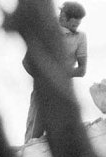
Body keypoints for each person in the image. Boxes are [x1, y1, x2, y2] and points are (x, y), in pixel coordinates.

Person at [23, 1, 87, 143]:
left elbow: (82, 70)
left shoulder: (80, 38)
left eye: (77, 25)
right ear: (63, 17)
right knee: (34, 136)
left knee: (67, 135)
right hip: (43, 89)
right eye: (73, 25)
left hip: (65, 90)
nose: (75, 29)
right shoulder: (45, 33)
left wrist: (60, 73)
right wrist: (43, 76)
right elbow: (26, 62)